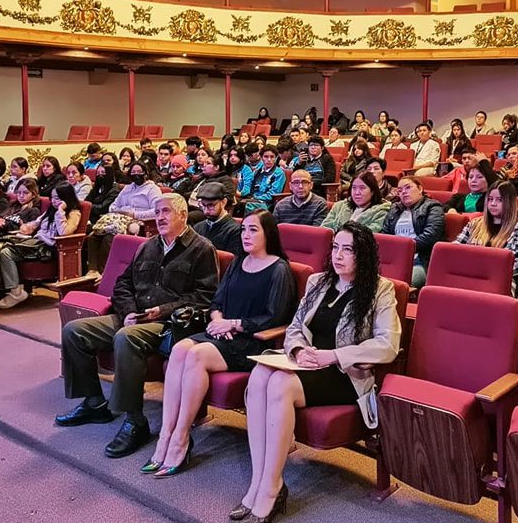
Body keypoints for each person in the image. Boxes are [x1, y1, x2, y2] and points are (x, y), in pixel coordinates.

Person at [235, 222, 401, 522]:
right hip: (307, 363)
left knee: (280, 386)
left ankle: (271, 487)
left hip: (345, 375)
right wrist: (299, 351)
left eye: (348, 249)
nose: (338, 255)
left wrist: (332, 355)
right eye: (335, 247)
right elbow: (296, 327)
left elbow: (387, 345)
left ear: (362, 255)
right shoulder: (318, 282)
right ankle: (259, 480)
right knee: (260, 375)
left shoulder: (380, 289)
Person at [57, 194, 219, 459]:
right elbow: (123, 284)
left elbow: (204, 297)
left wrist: (162, 310)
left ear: (183, 215)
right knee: (75, 331)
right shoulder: (148, 246)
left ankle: (135, 421)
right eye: (157, 212)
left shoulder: (201, 248)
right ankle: (94, 402)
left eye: (166, 211)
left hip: (168, 324)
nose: (160, 216)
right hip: (133, 316)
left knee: (125, 338)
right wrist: (129, 311)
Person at [146, 212, 297, 478]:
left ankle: (181, 438)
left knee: (196, 356)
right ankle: (165, 436)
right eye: (244, 230)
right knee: (179, 349)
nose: (246, 235)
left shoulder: (279, 269)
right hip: (221, 332)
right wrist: (217, 320)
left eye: (253, 230)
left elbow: (275, 317)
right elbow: (216, 302)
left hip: (252, 342)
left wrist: (233, 324)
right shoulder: (239, 262)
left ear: (268, 234)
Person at [0, 183, 82, 312]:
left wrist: (60, 212)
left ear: (67, 198)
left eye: (58, 198)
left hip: (48, 248)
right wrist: (27, 227)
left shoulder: (73, 213)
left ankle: (16, 292)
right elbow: (36, 223)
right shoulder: (50, 210)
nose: (54, 201)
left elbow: (65, 232)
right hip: (36, 242)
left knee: (6, 252)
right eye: (52, 198)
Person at [455, 181, 518, 299]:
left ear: (510, 203)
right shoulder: (474, 224)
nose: (493, 204)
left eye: (499, 200)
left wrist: (495, 271)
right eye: (490, 199)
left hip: (504, 281)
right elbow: (455, 248)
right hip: (472, 276)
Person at [381, 176, 445, 289]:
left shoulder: (432, 207)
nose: (404, 192)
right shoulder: (395, 209)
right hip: (393, 261)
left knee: (394, 286)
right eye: (400, 190)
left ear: (420, 189)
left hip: (420, 260)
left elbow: (430, 235)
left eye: (408, 188)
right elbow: (385, 235)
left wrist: (403, 250)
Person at [321, 172, 391, 233]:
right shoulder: (339, 206)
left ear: (372, 191)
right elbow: (324, 229)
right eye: (354, 188)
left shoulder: (381, 212)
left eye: (362, 188)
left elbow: (368, 235)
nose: (357, 192)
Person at [191, 181, 244, 259]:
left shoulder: (236, 231)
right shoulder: (197, 227)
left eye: (211, 205)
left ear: (223, 202)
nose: (206, 211)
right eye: (203, 205)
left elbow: (231, 263)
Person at [239, 146, 286, 214]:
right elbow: (250, 187)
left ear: (276, 158)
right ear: (261, 158)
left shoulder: (279, 173)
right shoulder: (257, 171)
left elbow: (273, 194)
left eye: (272, 157)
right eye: (266, 156)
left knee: (247, 206)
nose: (269, 159)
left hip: (266, 203)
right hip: (252, 199)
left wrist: (255, 198)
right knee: (236, 204)